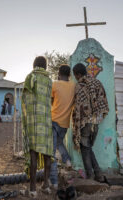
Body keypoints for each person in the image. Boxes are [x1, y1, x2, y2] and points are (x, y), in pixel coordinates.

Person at [21, 56, 53, 197]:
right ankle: (46, 185)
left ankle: (33, 189)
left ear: (34, 65)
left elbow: (25, 98)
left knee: (33, 153)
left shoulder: (31, 77)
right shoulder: (49, 80)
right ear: (45, 66)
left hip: (34, 121)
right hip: (46, 121)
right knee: (47, 153)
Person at [72, 63, 109, 182]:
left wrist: (77, 124)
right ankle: (98, 174)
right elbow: (103, 99)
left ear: (78, 74)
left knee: (85, 148)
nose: (76, 78)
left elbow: (78, 107)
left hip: (85, 122)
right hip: (95, 122)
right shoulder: (97, 83)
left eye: (75, 76)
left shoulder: (79, 86)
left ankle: (90, 175)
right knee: (88, 147)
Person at [49, 65, 75, 189]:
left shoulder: (55, 84)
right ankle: (67, 160)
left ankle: (54, 181)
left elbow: (51, 100)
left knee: (52, 152)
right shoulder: (73, 86)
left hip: (54, 120)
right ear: (69, 75)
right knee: (60, 142)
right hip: (65, 123)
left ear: (59, 74)